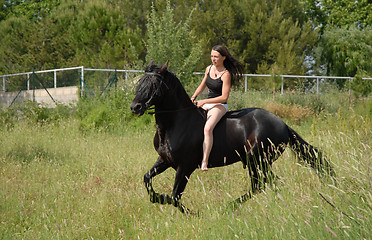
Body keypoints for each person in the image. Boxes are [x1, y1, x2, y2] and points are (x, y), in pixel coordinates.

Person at [191, 45, 244, 171]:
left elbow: (224, 97)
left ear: (223, 58)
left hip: (219, 105)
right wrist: (193, 97)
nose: (213, 59)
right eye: (211, 56)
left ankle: (204, 161)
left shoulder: (226, 74)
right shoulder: (209, 68)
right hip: (207, 103)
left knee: (208, 128)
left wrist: (204, 101)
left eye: (216, 57)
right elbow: (202, 85)